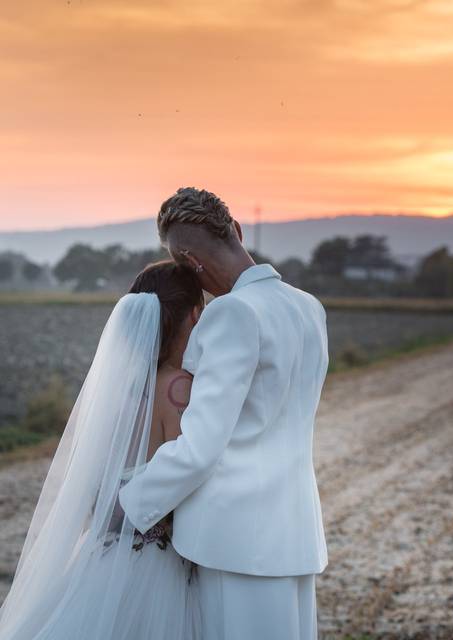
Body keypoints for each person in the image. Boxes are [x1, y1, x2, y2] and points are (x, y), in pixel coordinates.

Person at [119, 186, 330, 640]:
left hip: (236, 539)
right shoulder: (309, 308)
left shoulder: (231, 314)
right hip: (295, 532)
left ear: (188, 261)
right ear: (235, 228)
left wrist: (131, 503)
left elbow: (201, 447)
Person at [0, 261, 205, 639]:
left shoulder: (120, 387)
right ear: (194, 316)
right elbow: (188, 479)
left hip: (103, 557)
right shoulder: (179, 387)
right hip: (157, 567)